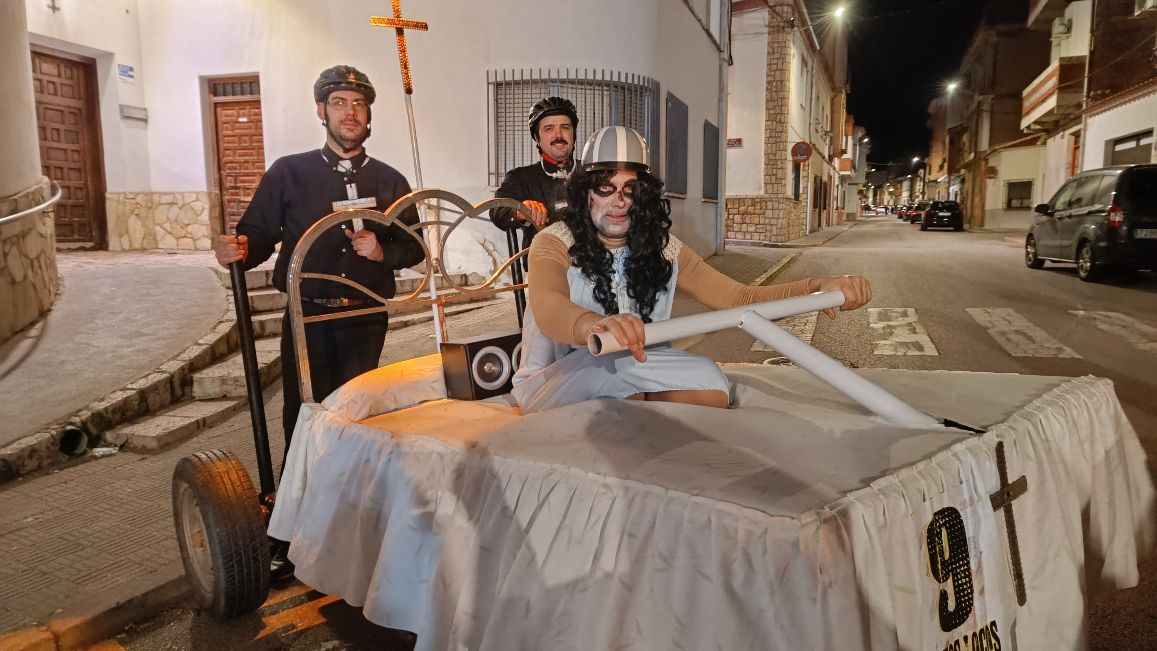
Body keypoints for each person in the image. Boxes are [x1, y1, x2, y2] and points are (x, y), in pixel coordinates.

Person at [212, 65, 424, 579]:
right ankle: (293, 531)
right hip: (308, 316)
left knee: (359, 421)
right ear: (321, 111)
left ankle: (352, 525)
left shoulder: (391, 180)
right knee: (305, 420)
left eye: (358, 103)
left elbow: (414, 246)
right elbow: (257, 235)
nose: (350, 113)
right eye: (339, 103)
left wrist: (382, 251)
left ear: (368, 114)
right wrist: (237, 248)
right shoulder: (289, 172)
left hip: (364, 318)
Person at [511, 126, 872, 414]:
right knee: (624, 380)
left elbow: (740, 298)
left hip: (643, 367)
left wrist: (816, 287)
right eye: (606, 188)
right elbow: (549, 305)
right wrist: (594, 325)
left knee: (710, 384)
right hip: (559, 378)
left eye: (630, 189)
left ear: (644, 195)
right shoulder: (554, 242)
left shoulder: (663, 248)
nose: (619, 202)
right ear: (586, 194)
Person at [490, 96, 580, 249]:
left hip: (590, 260)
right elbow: (497, 211)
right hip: (541, 260)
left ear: (573, 133)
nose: (558, 135)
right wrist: (520, 209)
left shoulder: (593, 172)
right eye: (549, 129)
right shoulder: (520, 178)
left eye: (565, 127)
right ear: (537, 138)